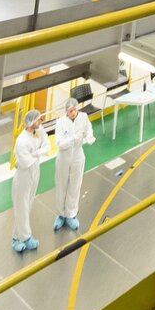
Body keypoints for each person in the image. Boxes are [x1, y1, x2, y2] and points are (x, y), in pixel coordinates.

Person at [52, 88, 96, 232]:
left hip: (77, 155)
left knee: (75, 186)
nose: (73, 113)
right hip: (64, 158)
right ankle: (60, 214)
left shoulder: (83, 117)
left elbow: (88, 129)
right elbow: (59, 143)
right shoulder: (60, 122)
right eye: (70, 111)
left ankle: (71, 214)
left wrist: (89, 136)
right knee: (62, 186)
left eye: (75, 110)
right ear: (66, 111)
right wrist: (73, 139)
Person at [9, 109, 51, 256]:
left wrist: (37, 152)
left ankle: (17, 237)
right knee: (22, 207)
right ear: (30, 122)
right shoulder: (21, 140)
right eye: (38, 120)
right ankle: (24, 237)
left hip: (34, 172)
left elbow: (48, 147)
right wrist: (39, 152)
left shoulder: (38, 133)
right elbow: (25, 162)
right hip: (23, 176)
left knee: (28, 206)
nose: (40, 122)